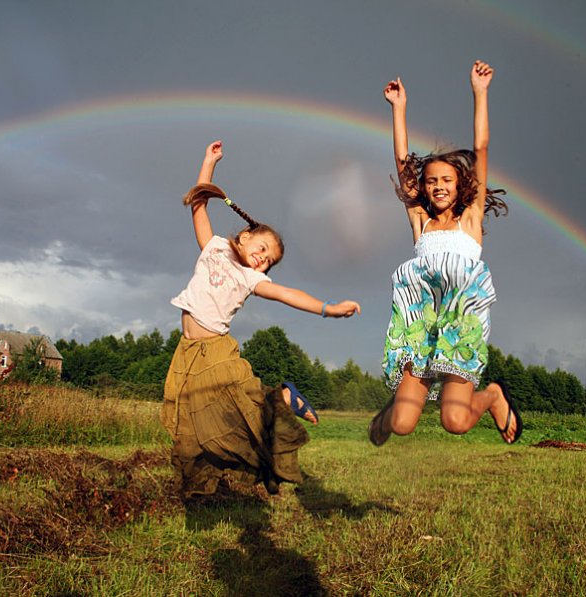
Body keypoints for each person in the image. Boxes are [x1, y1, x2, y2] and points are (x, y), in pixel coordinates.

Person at [162, 140, 361, 498]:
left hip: (216, 352)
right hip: (188, 353)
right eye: (263, 249)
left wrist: (328, 307)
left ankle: (284, 398)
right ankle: (199, 488)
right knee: (195, 422)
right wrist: (209, 162)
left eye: (270, 261)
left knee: (245, 409)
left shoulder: (252, 278)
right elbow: (199, 203)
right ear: (246, 234)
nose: (263, 260)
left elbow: (287, 294)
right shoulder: (215, 247)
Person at [369, 60, 523, 447]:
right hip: (419, 324)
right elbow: (404, 167)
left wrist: (480, 92)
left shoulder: (469, 219)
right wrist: (398, 108)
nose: (438, 186)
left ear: (461, 184)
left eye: (446, 180)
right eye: (432, 181)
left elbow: (482, 147)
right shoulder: (420, 220)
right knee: (403, 423)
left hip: (459, 323)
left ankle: (491, 396)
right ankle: (387, 415)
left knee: (455, 421)